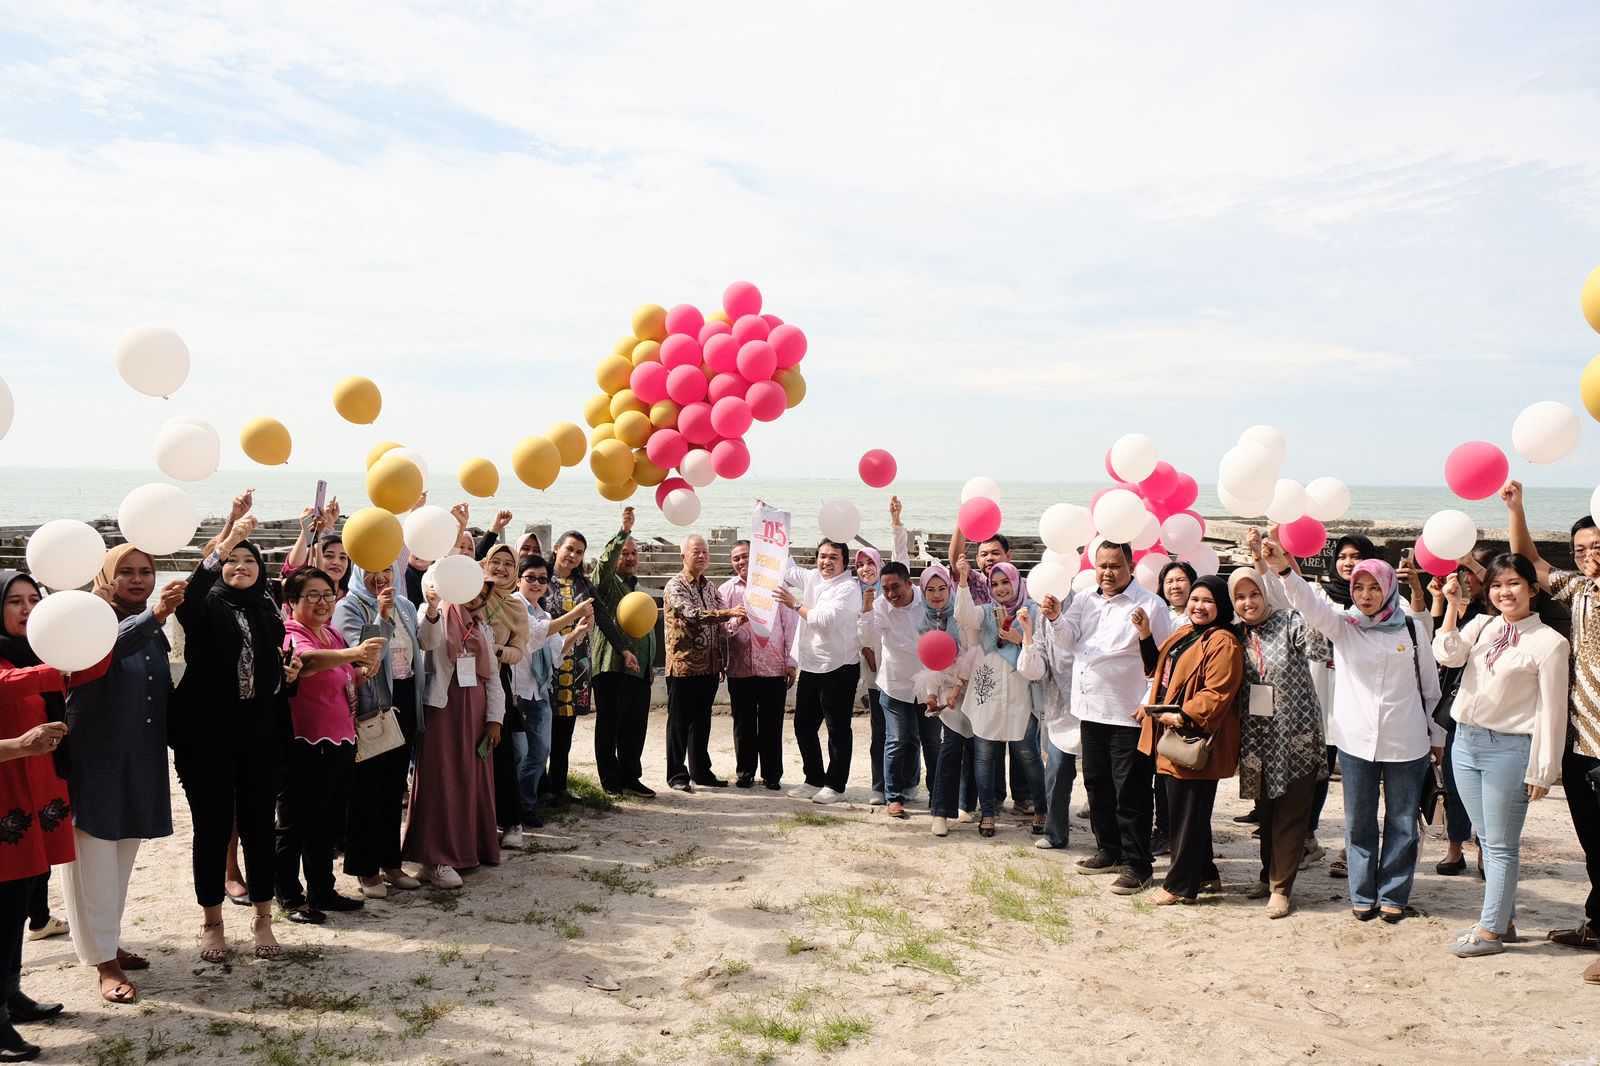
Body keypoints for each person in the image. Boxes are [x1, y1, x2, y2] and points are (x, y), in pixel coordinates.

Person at [1261, 540, 1442, 923]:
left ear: (1388, 587)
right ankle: (1362, 894)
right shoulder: (1343, 627)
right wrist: (1283, 570)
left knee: (1402, 821)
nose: (1365, 595)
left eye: (1374, 587)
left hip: (1407, 741)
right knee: (1359, 821)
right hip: (1356, 741)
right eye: (1359, 588)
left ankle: (1393, 893)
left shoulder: (1411, 629)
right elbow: (1309, 603)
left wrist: (1437, 740)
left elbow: (1431, 689)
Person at [171, 514, 301, 963]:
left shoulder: (268, 610)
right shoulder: (203, 607)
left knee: (258, 828)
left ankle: (263, 918)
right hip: (205, 735)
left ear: (260, 571)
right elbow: (188, 593)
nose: (239, 566)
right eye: (231, 561)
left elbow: (272, 669)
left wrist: (287, 675)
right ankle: (212, 924)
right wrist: (228, 538)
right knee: (210, 829)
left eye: (249, 560)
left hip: (258, 734)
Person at [60, 548, 184, 1004]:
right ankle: (102, 964)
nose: (137, 579)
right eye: (126, 572)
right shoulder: (90, 620)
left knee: (121, 861)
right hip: (96, 761)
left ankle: (107, 941)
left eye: (145, 571)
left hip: (140, 758)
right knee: (91, 863)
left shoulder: (151, 628)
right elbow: (106, 651)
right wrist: (154, 615)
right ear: (105, 576)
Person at [1434, 553, 1569, 958]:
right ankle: (1504, 919)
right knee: (1487, 838)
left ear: (1532, 588)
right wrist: (1452, 611)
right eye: (1496, 585)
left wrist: (1543, 770)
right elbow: (1448, 655)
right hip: (1466, 743)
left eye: (1513, 583)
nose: (1504, 592)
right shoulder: (1485, 625)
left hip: (1509, 750)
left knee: (1501, 844)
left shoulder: (1550, 643)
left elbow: (1552, 709)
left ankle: (1490, 930)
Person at [0, 570, 110, 1056]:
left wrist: (95, 620)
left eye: (33, 599)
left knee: (20, 902)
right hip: (5, 791)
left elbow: (92, 668)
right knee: (1, 910)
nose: (27, 609)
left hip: (38, 789)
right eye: (14, 602)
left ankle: (10, 994)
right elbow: (8, 686)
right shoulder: (18, 664)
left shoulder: (37, 654)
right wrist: (59, 663)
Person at [1501, 481, 1600, 981]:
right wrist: (1518, 509)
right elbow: (1530, 562)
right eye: (1581, 550)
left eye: (1597, 547)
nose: (1588, 557)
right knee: (1593, 844)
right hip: (1581, 741)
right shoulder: (1579, 589)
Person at [1048, 542, 1178, 895]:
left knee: (1131, 791)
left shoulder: (1150, 604)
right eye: (1101, 565)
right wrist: (1056, 617)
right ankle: (1109, 849)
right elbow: (1067, 641)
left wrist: (1148, 701)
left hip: (1128, 713)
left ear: (1131, 565)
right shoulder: (1086, 598)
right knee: (1096, 784)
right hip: (1090, 709)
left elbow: (1165, 662)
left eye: (1115, 566)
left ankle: (1138, 864)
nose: (1107, 572)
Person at [276, 568, 385, 923]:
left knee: (325, 822)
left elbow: (348, 674)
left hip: (340, 738)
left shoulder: (333, 633)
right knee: (295, 823)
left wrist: (365, 666)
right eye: (312, 595)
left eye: (328, 594)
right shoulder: (292, 633)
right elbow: (307, 663)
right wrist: (354, 652)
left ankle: (322, 888)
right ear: (292, 602)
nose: (323, 602)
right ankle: (289, 896)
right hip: (304, 741)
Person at [1133, 576, 1244, 906]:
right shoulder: (1187, 633)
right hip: (1170, 733)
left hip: (1193, 737)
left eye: (1208, 601)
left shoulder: (1223, 642)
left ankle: (1179, 885)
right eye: (1195, 599)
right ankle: (1206, 874)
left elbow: (1218, 692)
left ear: (1221, 605)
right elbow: (1158, 670)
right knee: (1187, 812)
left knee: (1188, 814)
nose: (1199, 606)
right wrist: (1145, 635)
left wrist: (1183, 715)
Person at [1227, 559, 1328, 918]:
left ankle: (1282, 888)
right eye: (1239, 597)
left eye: (1254, 593)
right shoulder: (1234, 636)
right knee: (1266, 814)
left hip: (1295, 735)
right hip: (1256, 739)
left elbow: (1321, 649)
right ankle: (1266, 876)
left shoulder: (1289, 622)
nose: (1248, 602)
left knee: (1290, 812)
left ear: (1265, 594)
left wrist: (1304, 595)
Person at [332, 563, 426, 900]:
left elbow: (417, 652)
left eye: (386, 568)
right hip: (372, 703)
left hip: (403, 697)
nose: (380, 576)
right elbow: (360, 659)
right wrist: (382, 617)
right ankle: (364, 868)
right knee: (367, 790)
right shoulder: (349, 607)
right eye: (372, 569)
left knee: (392, 788)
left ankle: (392, 862)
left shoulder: (406, 605)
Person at [401, 578, 503, 889]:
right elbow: (427, 642)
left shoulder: (482, 627)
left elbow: (493, 676)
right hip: (442, 708)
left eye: (482, 596)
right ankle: (435, 857)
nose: (476, 600)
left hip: (475, 709)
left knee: (471, 779)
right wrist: (433, 607)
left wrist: (495, 719)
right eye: (472, 592)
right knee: (440, 780)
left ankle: (471, 848)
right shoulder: (435, 614)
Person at [951, 561, 1047, 838]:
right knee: (984, 757)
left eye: (1006, 582)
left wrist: (1021, 637)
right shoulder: (985, 611)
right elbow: (964, 615)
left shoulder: (1032, 612)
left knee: (1028, 754)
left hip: (1020, 692)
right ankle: (989, 812)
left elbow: (1038, 657)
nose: (1001, 588)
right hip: (987, 692)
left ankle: (1041, 807)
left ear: (1017, 583)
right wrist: (964, 581)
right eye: (994, 584)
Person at [540, 532, 629, 804]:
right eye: (569, 549)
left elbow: (602, 616)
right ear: (556, 549)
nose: (573, 556)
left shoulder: (583, 584)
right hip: (546, 664)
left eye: (579, 552)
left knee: (566, 730)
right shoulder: (541, 580)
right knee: (542, 729)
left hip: (576, 666)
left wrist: (623, 648)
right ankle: (539, 787)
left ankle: (559, 785)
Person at [947, 528, 1029, 814]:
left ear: (1009, 556)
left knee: (1020, 738)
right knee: (985, 735)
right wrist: (962, 524)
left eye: (995, 552)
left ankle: (1024, 797)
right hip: (981, 668)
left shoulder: (1023, 588)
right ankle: (991, 798)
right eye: (983, 554)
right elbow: (954, 563)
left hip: (1017, 668)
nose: (989, 558)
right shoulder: (975, 582)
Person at [777, 539, 862, 804]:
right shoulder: (814, 577)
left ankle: (836, 785)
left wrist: (794, 603)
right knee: (803, 725)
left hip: (840, 666)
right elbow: (788, 569)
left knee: (837, 728)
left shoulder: (848, 588)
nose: (826, 562)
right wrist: (775, 531)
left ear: (844, 562)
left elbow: (824, 620)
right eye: (822, 556)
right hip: (812, 664)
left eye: (833, 557)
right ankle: (813, 778)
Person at [1428, 551, 1493, 875]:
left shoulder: (1497, 614)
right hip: (1458, 707)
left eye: (1472, 574)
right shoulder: (1466, 613)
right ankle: (1455, 848)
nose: (1467, 579)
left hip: (1493, 713)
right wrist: (1445, 600)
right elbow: (1441, 644)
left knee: (1488, 789)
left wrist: (1469, 560)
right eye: (1463, 572)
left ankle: (1484, 849)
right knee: (1454, 784)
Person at [663, 535, 745, 792]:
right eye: (696, 552)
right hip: (683, 665)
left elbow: (723, 627)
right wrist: (729, 614)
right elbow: (692, 616)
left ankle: (700, 770)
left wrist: (736, 623)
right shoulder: (675, 586)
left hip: (710, 666)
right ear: (683, 557)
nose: (701, 556)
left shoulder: (711, 588)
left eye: (705, 552)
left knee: (702, 721)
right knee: (679, 721)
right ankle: (677, 773)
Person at [512, 559, 593, 818]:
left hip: (540, 691)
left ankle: (525, 805)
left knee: (540, 753)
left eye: (542, 579)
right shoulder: (515, 606)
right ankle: (512, 807)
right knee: (519, 755)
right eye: (531, 578)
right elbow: (536, 635)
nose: (537, 584)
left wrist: (578, 631)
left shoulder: (544, 614)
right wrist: (575, 614)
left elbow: (556, 652)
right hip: (518, 692)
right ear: (518, 580)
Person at [861, 560, 940, 818]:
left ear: (910, 583)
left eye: (896, 587)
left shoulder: (925, 600)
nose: (892, 593)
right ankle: (893, 797)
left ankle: (937, 795)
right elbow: (868, 638)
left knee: (931, 743)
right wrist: (866, 609)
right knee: (896, 741)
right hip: (895, 684)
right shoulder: (881, 606)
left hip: (928, 684)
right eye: (886, 588)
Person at [721, 540, 798, 790]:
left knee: (771, 723)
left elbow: (791, 626)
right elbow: (722, 630)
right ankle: (745, 772)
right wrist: (736, 623)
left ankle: (772, 774)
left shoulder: (776, 587)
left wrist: (791, 662)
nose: (741, 562)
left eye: (745, 556)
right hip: (740, 668)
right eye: (736, 559)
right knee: (742, 723)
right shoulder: (726, 591)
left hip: (772, 666)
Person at [590, 508, 655, 796]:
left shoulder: (637, 586)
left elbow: (646, 629)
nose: (629, 558)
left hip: (639, 669)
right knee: (610, 726)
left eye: (633, 554)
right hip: (611, 666)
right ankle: (610, 780)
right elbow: (602, 567)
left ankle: (631, 776)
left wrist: (650, 663)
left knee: (635, 727)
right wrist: (623, 532)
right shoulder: (606, 585)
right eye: (624, 553)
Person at [479, 544, 529, 846]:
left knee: (502, 753)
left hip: (497, 681)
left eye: (508, 564)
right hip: (462, 683)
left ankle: (511, 823)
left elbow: (518, 652)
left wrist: (495, 650)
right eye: (494, 561)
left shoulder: (516, 607)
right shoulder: (472, 595)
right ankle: (479, 820)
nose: (500, 568)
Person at [1026, 586, 1080, 851]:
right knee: (1057, 770)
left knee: (1100, 776)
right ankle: (1055, 832)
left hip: (1092, 701)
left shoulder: (1087, 602)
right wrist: (1030, 652)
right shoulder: (1040, 610)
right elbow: (1041, 650)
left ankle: (1110, 838)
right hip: (1059, 704)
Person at [916, 565, 968, 837]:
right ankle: (940, 811)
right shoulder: (923, 622)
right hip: (947, 696)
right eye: (930, 590)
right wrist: (931, 696)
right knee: (951, 747)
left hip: (971, 685)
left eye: (942, 588)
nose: (937, 595)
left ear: (951, 588)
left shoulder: (962, 615)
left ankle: (969, 803)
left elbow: (974, 653)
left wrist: (959, 685)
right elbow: (929, 665)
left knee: (978, 749)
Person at [855, 546, 887, 805]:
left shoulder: (889, 591)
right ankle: (879, 785)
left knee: (906, 734)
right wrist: (867, 652)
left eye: (870, 562)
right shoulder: (853, 594)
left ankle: (907, 784)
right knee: (879, 731)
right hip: (874, 675)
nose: (866, 568)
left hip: (899, 671)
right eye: (860, 564)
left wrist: (896, 524)